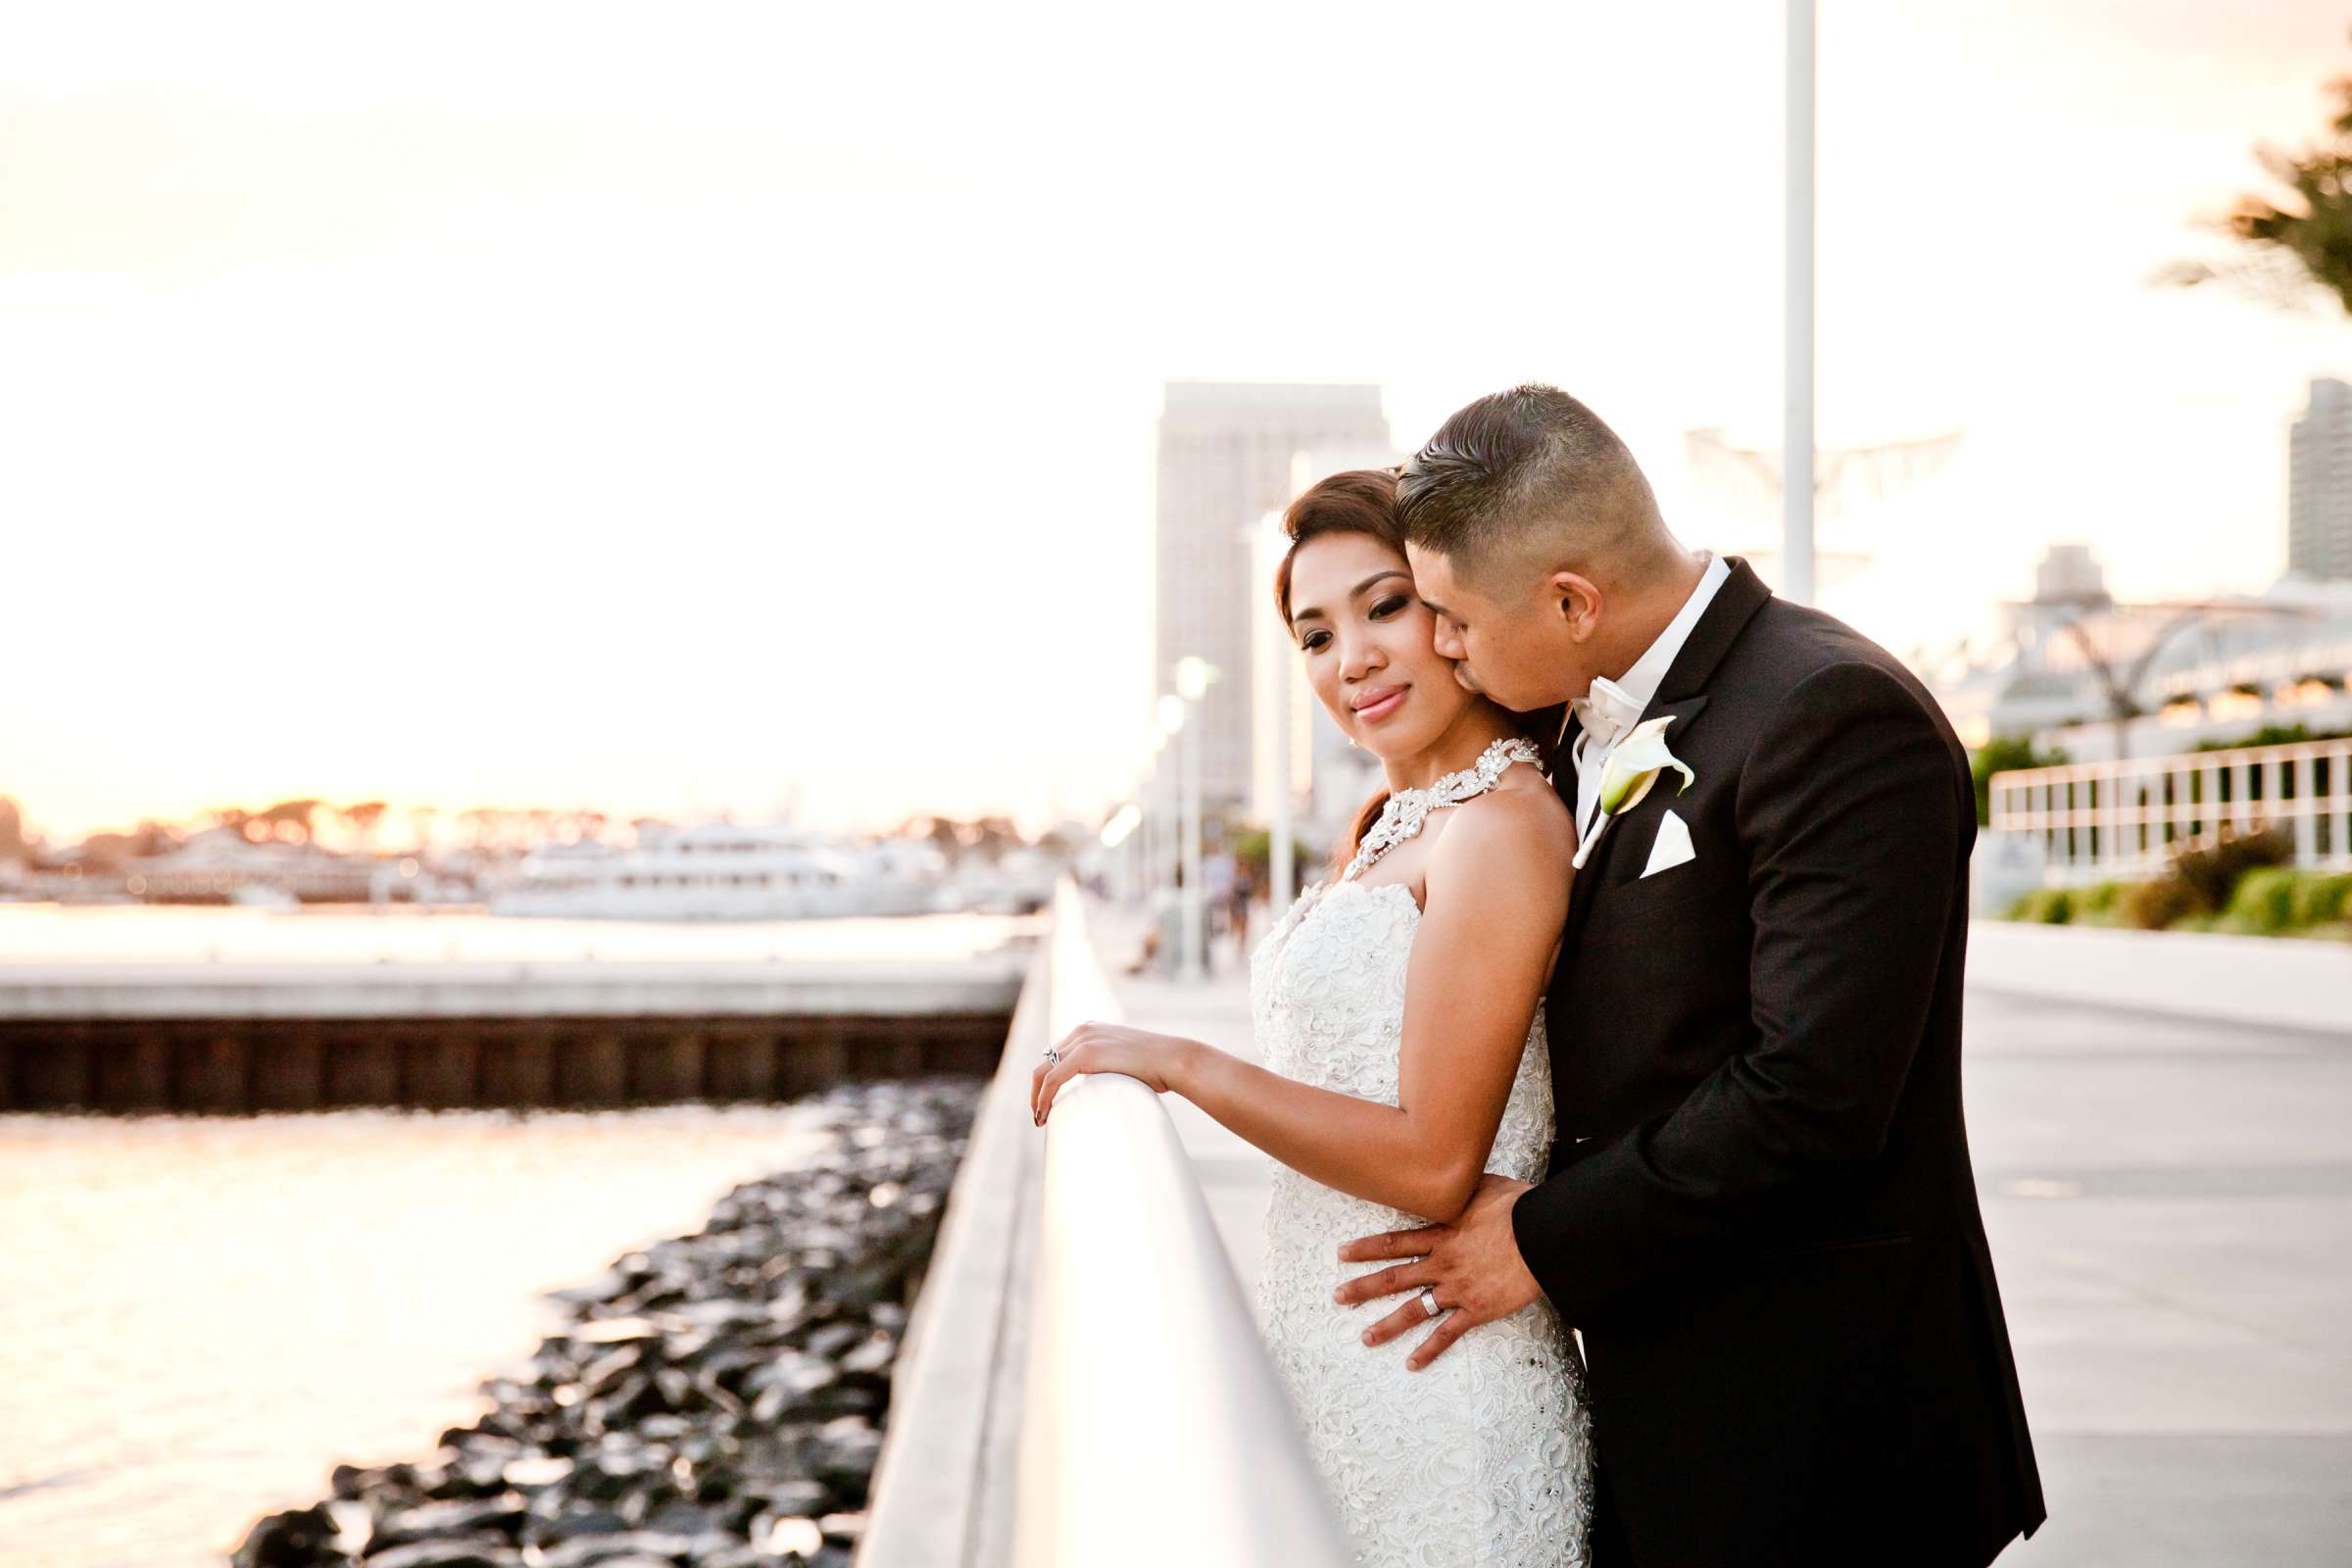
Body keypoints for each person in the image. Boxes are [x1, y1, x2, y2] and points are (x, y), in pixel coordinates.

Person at [1326, 384, 2046, 1566]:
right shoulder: (1566, 723)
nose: (1442, 646)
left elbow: (1812, 1094)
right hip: (1650, 1415)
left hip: (1816, 1433)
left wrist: (1545, 1237)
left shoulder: (1835, 712)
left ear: (1571, 600)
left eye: (1451, 617)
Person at [1033, 466, 1594, 1566]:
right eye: (1314, 634)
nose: (1354, 659)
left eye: (1385, 606)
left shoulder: (1503, 825)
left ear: (1453, 607)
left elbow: (1437, 1162)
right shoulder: (1387, 822)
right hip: (1342, 1367)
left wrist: (1181, 1063)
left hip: (1446, 1391)